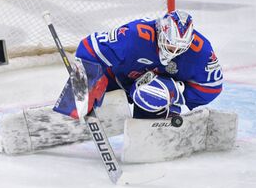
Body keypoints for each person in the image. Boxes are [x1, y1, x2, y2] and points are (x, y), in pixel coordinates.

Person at [72, 10, 223, 119]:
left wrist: (176, 92)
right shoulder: (134, 36)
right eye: (170, 45)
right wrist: (85, 85)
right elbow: (89, 47)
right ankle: (73, 107)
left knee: (150, 92)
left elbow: (212, 88)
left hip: (151, 90)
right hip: (118, 79)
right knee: (80, 94)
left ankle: (156, 118)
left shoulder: (201, 51)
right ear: (161, 32)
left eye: (179, 48)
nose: (173, 51)